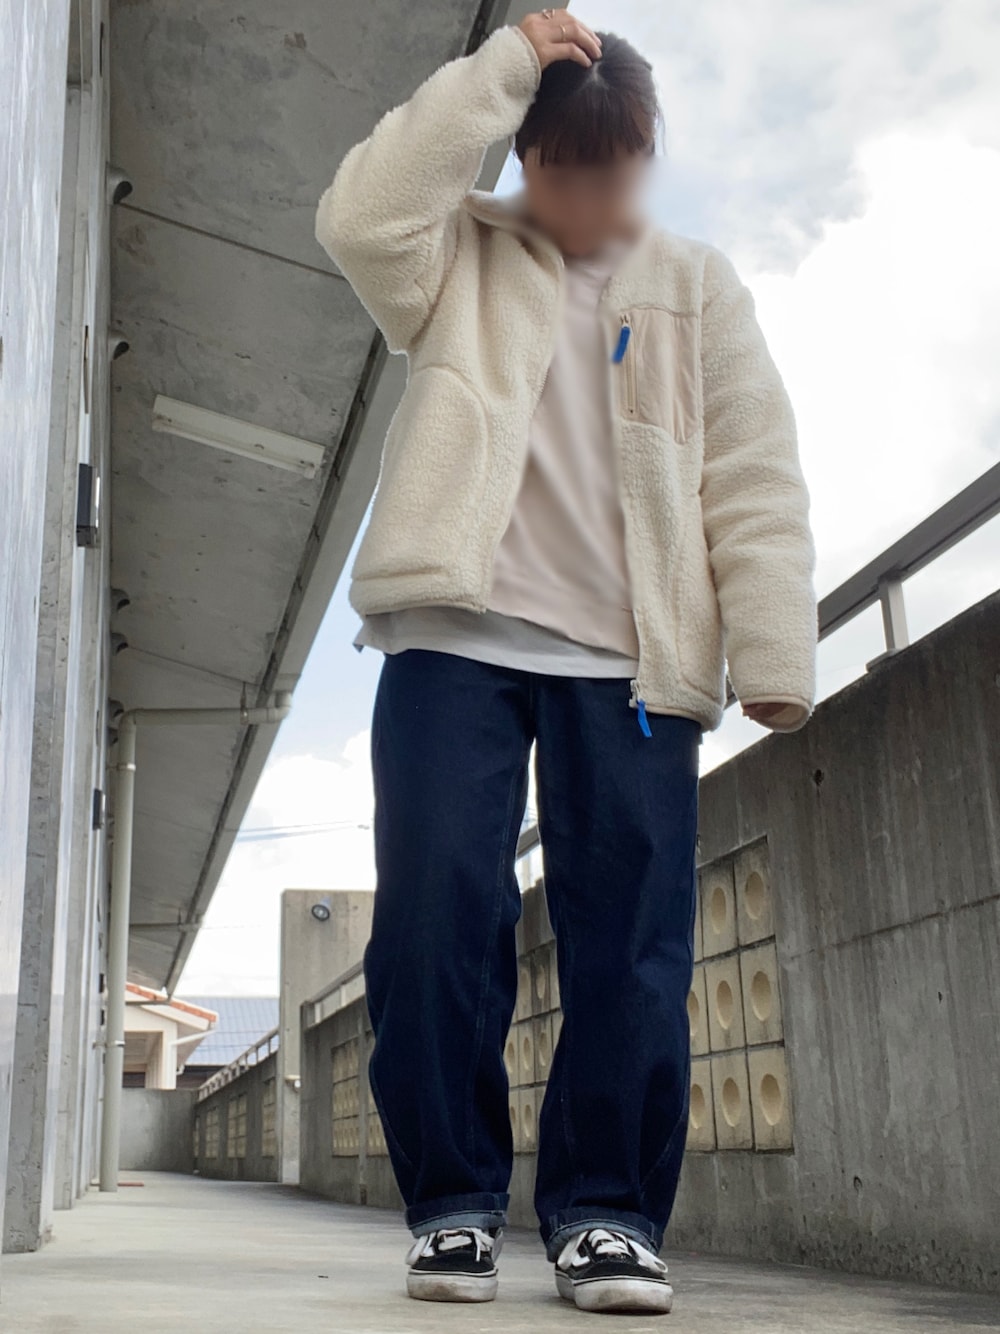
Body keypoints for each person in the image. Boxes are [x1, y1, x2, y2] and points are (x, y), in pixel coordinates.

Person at [314, 8, 817, 1316]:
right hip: (452, 640)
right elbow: (360, 216)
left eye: (616, 174)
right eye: (561, 174)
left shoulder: (697, 286)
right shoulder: (458, 257)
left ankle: (607, 1214)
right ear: (525, 158)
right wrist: (500, 70)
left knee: (632, 943)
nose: (589, 204)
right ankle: (453, 1207)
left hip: (632, 664)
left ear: (647, 157)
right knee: (432, 922)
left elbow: (753, 474)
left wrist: (772, 644)